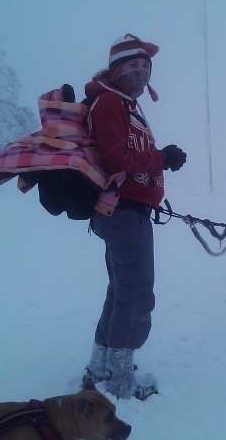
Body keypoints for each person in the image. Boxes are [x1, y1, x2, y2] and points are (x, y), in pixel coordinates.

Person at [81, 34, 186, 400]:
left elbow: (126, 154)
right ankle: (120, 382)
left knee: (121, 293)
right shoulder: (110, 102)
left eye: (146, 66)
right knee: (137, 296)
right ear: (116, 70)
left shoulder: (122, 103)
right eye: (132, 66)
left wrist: (158, 160)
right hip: (123, 213)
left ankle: (99, 368)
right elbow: (117, 159)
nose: (141, 72)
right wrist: (162, 158)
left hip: (125, 212)